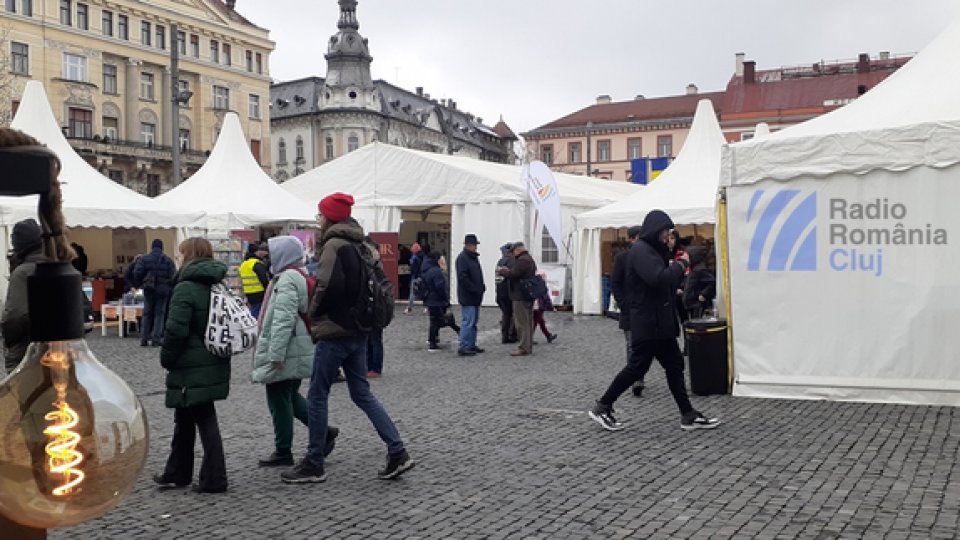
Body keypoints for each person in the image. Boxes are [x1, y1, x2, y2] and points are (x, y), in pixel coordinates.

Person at [281, 192, 413, 484]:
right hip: (358, 330)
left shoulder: (334, 246)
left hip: (335, 330)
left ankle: (314, 462)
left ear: (329, 218)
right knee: (361, 393)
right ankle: (397, 449)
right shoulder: (361, 244)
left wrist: (313, 315)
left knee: (317, 394)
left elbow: (326, 286)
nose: (318, 220)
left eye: (320, 215)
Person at [588, 210, 721, 432]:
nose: (669, 238)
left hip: (659, 324)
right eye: (666, 233)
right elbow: (659, 279)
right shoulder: (641, 251)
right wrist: (681, 264)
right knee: (636, 367)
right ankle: (603, 406)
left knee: (675, 366)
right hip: (649, 323)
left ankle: (687, 414)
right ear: (657, 231)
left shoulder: (652, 251)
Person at [252, 236, 339, 467]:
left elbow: (283, 319)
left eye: (273, 252)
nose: (270, 257)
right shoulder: (299, 274)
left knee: (278, 398)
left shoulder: (288, 278)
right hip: (298, 347)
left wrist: (276, 354)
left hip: (288, 349)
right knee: (289, 395)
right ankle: (324, 431)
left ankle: (283, 450)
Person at [153, 237, 230, 493]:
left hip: (191, 363)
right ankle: (177, 471)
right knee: (184, 416)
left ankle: (214, 478)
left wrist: (168, 357)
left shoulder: (186, 288)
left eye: (181, 253)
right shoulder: (216, 284)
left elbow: (176, 330)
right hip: (212, 358)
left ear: (189, 256)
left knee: (203, 417)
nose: (178, 257)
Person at [2, 219, 48, 374]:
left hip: (26, 348)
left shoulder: (23, 272)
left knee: (23, 395)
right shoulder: (57, 266)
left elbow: (15, 315)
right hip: (57, 349)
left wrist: (9, 338)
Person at [612, 226, 649, 398]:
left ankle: (639, 375)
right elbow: (616, 283)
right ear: (632, 239)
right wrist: (624, 304)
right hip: (629, 310)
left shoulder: (649, 256)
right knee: (632, 344)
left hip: (646, 308)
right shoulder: (622, 258)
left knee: (646, 345)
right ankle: (636, 378)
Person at [133, 239, 177, 347]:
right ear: (162, 247)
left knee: (147, 313)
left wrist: (142, 283)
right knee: (159, 314)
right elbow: (174, 276)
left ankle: (144, 338)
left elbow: (136, 272)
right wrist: (167, 285)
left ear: (152, 247)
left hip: (149, 289)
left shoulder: (144, 259)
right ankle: (156, 339)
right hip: (163, 291)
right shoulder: (167, 260)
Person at [497, 242, 536, 357]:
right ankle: (527, 345)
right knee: (528, 321)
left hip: (520, 295)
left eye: (513, 251)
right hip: (527, 294)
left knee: (521, 322)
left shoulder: (522, 260)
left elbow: (514, 274)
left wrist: (503, 271)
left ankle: (523, 347)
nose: (512, 254)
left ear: (518, 250)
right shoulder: (529, 259)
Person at [422, 250, 460, 352]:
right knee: (438, 321)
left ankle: (433, 340)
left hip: (430, 299)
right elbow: (440, 287)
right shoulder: (436, 271)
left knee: (434, 321)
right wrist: (445, 299)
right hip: (436, 300)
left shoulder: (427, 270)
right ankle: (433, 343)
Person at [455, 234, 485, 356]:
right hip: (468, 296)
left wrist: (481, 287)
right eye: (474, 245)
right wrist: (474, 289)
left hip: (475, 295)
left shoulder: (472, 258)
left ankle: (471, 344)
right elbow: (463, 278)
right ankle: (464, 346)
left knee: (473, 321)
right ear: (468, 245)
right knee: (468, 321)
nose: (476, 247)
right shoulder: (462, 258)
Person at [365, 236, 385, 377]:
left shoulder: (376, 266)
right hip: (368, 305)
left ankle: (375, 367)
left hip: (376, 306)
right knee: (367, 339)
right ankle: (368, 366)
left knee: (375, 338)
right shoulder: (371, 265)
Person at [682, 246, 716, 319]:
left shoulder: (699, 270)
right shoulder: (694, 269)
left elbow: (712, 281)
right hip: (691, 303)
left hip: (696, 304)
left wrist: (704, 294)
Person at [240, 241, 271, 318]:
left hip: (248, 292)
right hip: (259, 292)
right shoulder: (256, 263)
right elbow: (264, 279)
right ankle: (255, 327)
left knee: (253, 310)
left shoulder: (244, 264)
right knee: (258, 313)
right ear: (256, 252)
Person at [494, 243, 517, 344]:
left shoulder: (500, 262)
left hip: (500, 292)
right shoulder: (512, 261)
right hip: (508, 292)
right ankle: (511, 335)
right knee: (512, 315)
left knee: (505, 315)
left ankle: (505, 336)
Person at [531, 272, 557, 344]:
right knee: (536, 322)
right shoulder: (542, 286)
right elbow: (546, 298)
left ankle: (548, 336)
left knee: (540, 322)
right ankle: (529, 338)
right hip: (539, 307)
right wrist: (552, 308)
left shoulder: (533, 285)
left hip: (534, 306)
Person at [404, 242, 423, 315]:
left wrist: (410, 271)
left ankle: (409, 308)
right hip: (421, 276)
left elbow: (412, 269)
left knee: (412, 294)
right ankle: (427, 308)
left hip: (414, 277)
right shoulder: (421, 257)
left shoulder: (414, 258)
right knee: (425, 293)